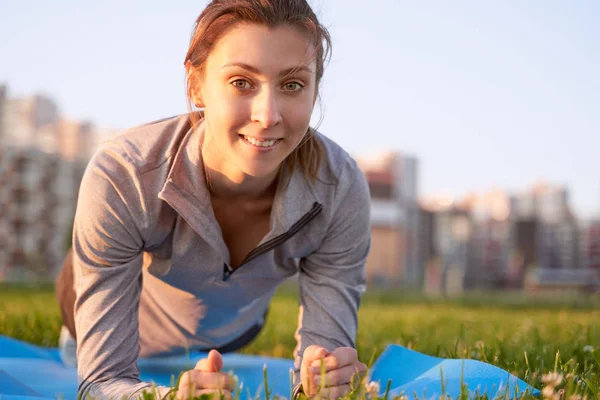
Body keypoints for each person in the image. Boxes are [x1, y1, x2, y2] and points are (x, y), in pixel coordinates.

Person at [54, 0, 371, 399]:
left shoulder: (340, 188)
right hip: (103, 324)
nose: (267, 115)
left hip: (226, 334)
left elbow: (321, 371)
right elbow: (100, 382)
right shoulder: (126, 173)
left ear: (314, 91)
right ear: (196, 84)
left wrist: (323, 384)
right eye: (241, 82)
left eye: (292, 85)